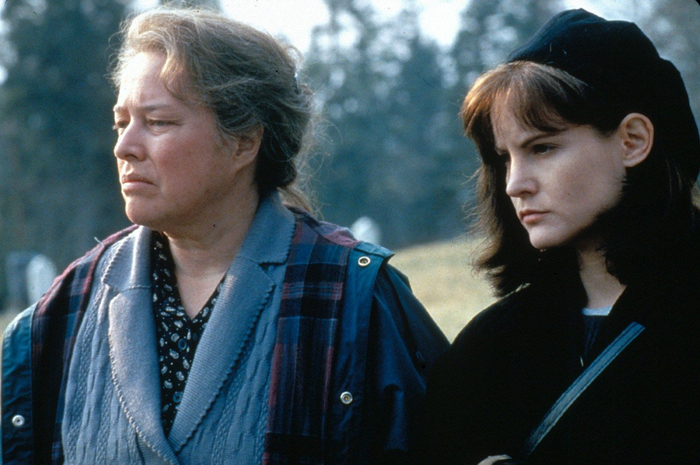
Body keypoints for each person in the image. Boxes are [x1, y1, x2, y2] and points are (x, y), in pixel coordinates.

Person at [1, 7, 448, 464]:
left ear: (244, 142)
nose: (124, 147)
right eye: (121, 123)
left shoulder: (353, 299)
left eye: (157, 122)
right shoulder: (63, 312)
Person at [418, 9, 700, 465]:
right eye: (504, 158)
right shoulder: (490, 351)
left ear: (632, 141)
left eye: (542, 147)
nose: (515, 184)